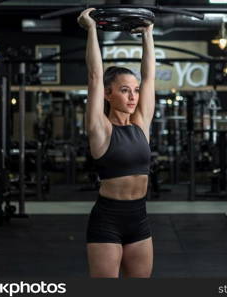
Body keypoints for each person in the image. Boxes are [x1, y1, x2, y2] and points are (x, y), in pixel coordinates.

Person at [77, 8, 155, 278]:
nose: (133, 96)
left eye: (134, 91)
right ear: (108, 95)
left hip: (139, 218)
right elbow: (95, 77)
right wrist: (91, 29)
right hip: (107, 220)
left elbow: (149, 78)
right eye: (124, 90)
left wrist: (147, 35)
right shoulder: (100, 129)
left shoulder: (141, 124)